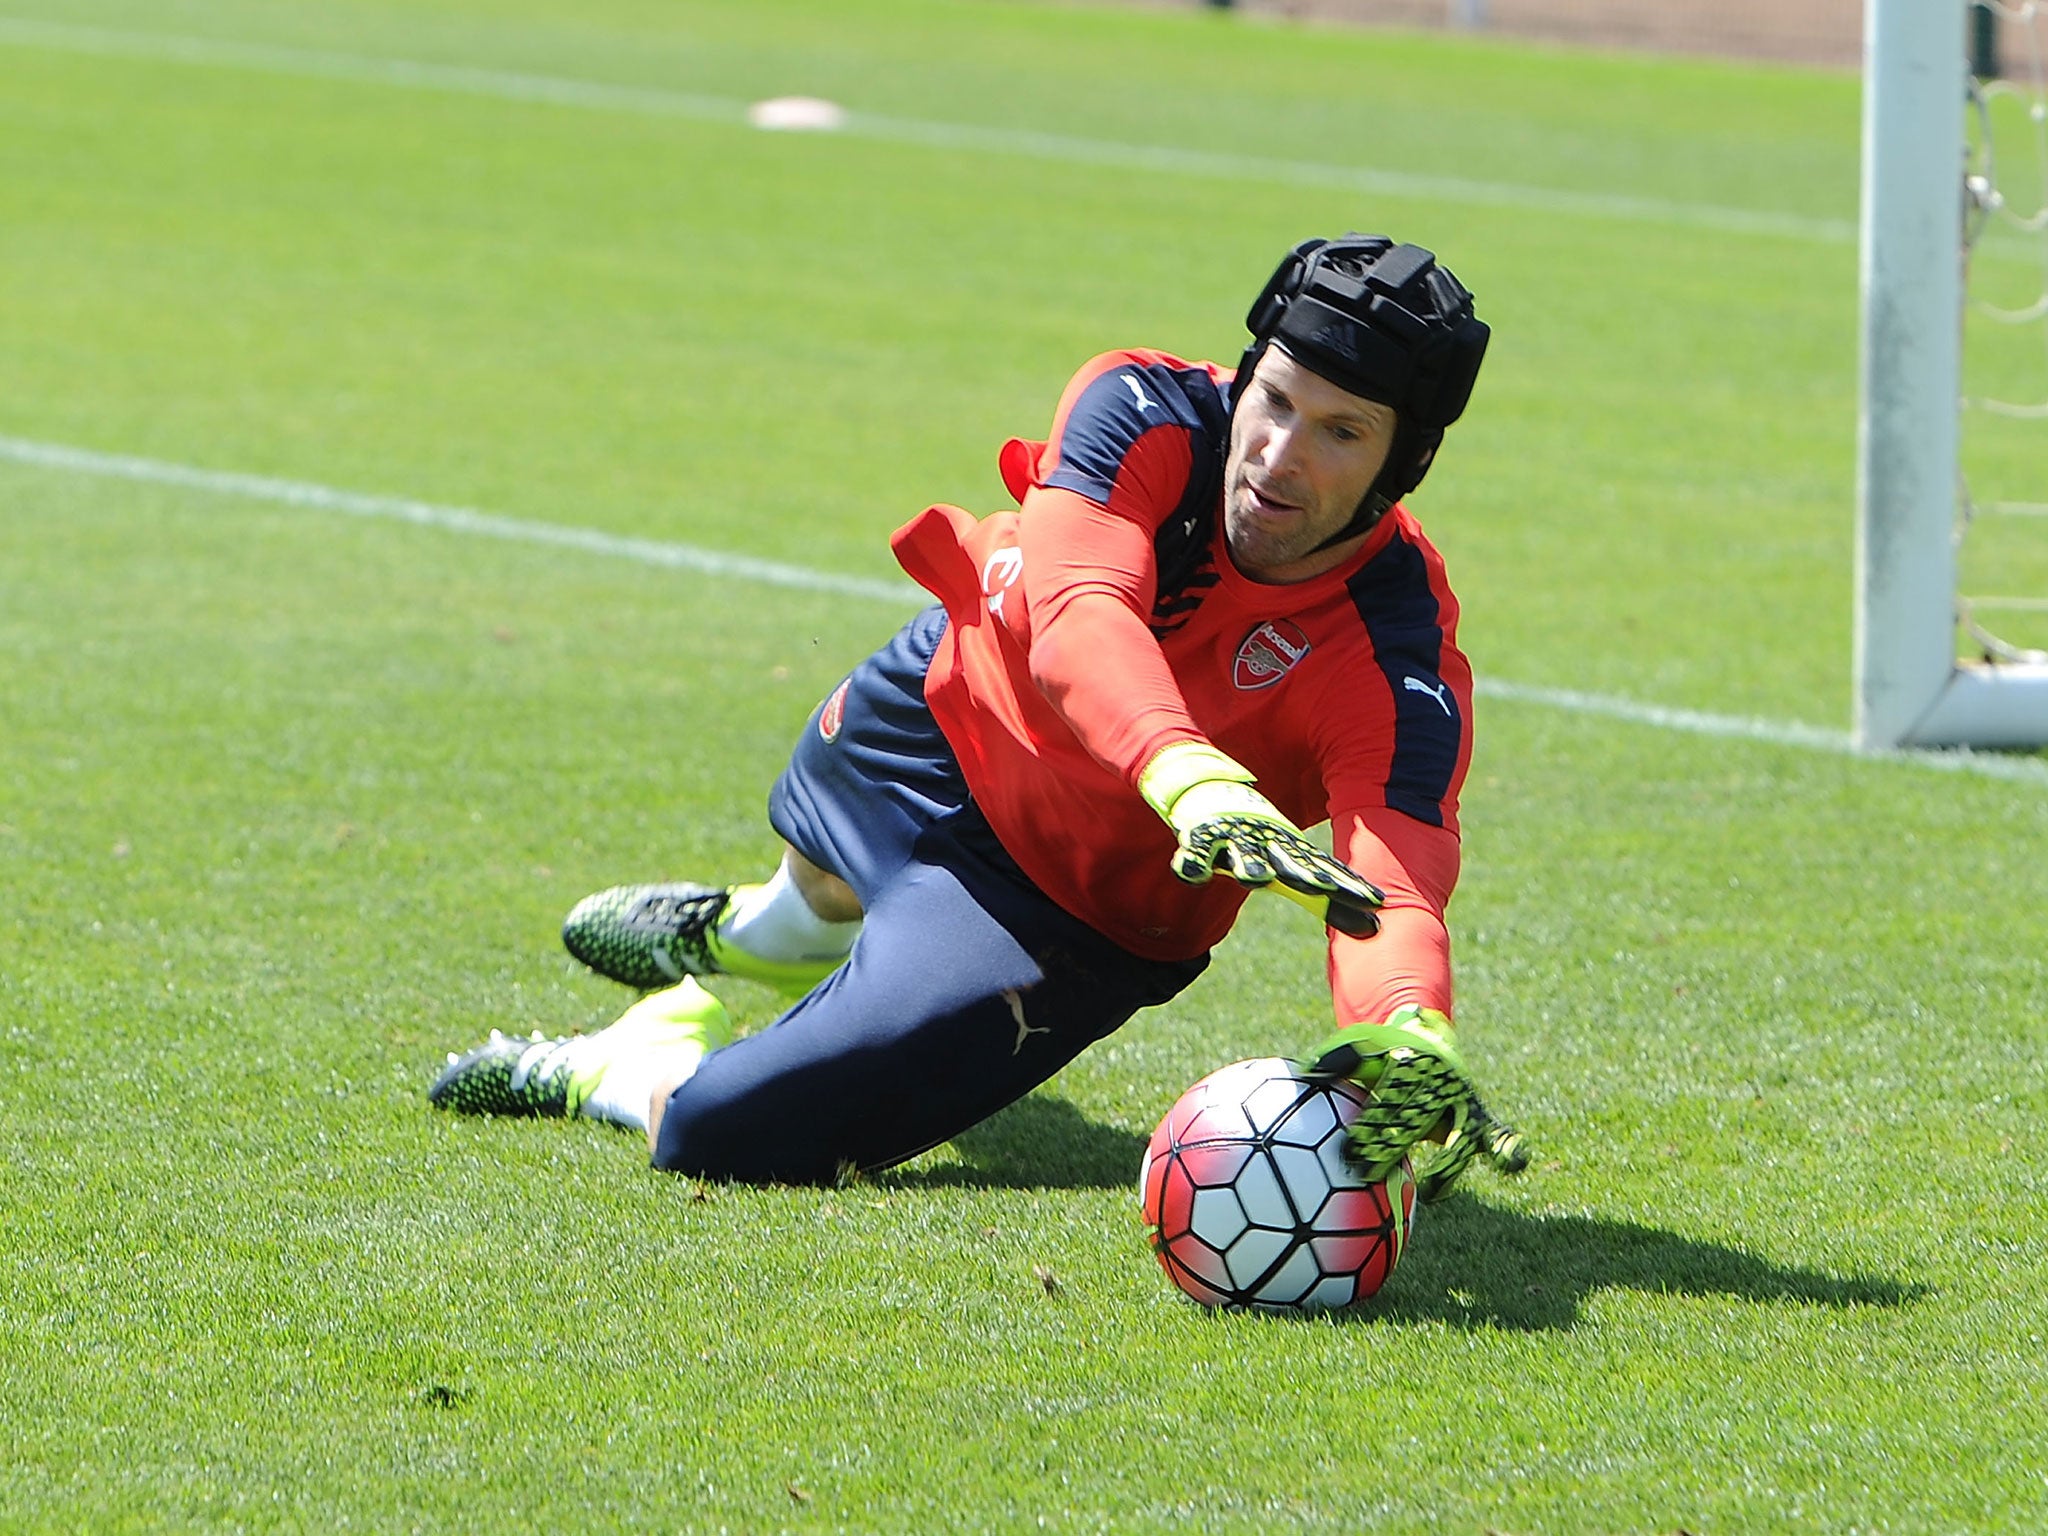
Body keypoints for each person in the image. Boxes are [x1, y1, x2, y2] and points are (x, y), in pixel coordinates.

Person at [429, 232, 1528, 1200]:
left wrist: (1402, 1027)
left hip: (1065, 911)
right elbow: (1078, 613)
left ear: (1404, 464)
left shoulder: (1392, 647)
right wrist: (1191, 775)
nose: (1279, 454)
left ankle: (632, 1052)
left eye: (1342, 432)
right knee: (822, 873)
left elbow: (1392, 872)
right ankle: (761, 936)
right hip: (948, 707)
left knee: (725, 1135)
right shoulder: (1138, 406)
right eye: (1275, 399)